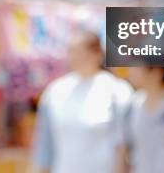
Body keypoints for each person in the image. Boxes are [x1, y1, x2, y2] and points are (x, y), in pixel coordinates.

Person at [31, 29, 133, 173]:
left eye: (80, 52)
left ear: (97, 54)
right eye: (71, 51)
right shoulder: (55, 92)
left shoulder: (117, 91)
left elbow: (123, 147)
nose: (74, 57)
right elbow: (44, 148)